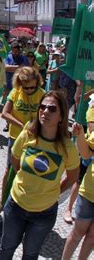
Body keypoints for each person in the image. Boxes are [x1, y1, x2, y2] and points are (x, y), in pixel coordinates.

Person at [0, 91, 80, 259]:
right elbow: (15, 160)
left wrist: (55, 192)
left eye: (51, 109)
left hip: (44, 213)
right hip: (16, 206)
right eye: (42, 107)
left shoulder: (67, 147)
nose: (45, 111)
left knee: (30, 254)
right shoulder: (27, 134)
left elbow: (72, 177)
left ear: (62, 117)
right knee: (6, 248)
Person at [0, 66, 45, 213]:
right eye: (25, 87)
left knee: (29, 171)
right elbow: (5, 113)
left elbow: (44, 116)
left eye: (32, 87)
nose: (29, 90)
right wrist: (23, 126)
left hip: (35, 140)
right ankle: (3, 199)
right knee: (9, 169)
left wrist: (35, 125)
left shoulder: (42, 94)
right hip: (15, 137)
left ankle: (24, 202)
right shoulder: (15, 92)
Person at [62, 107, 94, 260]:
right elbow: (86, 153)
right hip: (89, 191)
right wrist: (80, 134)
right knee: (77, 233)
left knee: (92, 238)